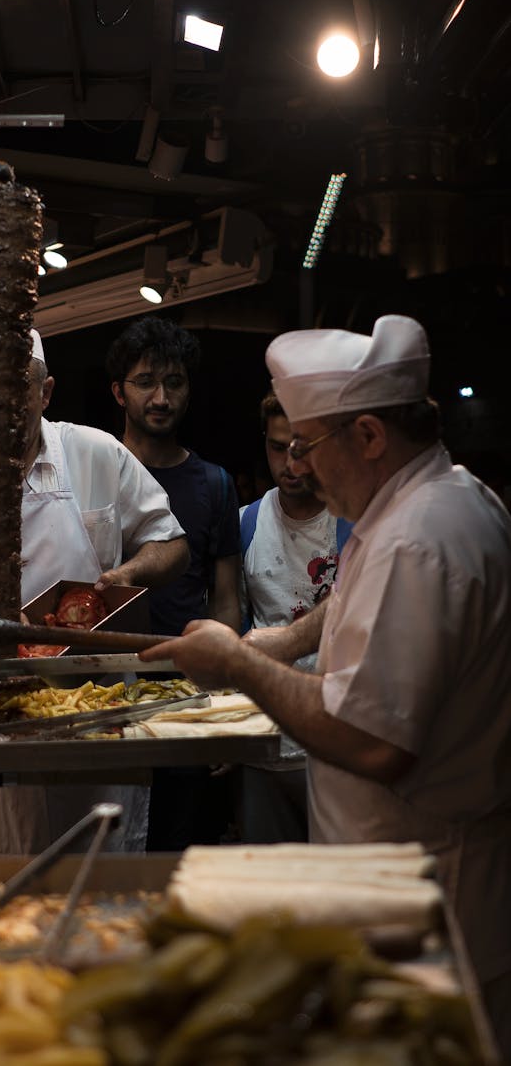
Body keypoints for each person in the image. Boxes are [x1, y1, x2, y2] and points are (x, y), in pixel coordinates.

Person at [138, 314, 511, 1059]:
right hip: (401, 877)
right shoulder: (443, 495)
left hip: (427, 892)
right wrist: (288, 637)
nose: (300, 466)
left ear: (370, 436)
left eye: (309, 445)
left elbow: (373, 742)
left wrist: (243, 665)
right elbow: (359, 602)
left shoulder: (417, 537)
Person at [0, 328, 189, 857]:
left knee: (89, 869)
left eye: (18, 386)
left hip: (84, 706)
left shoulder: (94, 453)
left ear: (44, 392)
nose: (2, 401)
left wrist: (127, 575)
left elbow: (171, 544)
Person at [106, 314, 241, 848]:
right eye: (145, 383)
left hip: (184, 696)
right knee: (103, 846)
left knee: (175, 851)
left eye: (174, 383)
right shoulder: (94, 469)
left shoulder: (214, 483)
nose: (160, 398)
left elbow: (226, 600)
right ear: (119, 392)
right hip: (102, 692)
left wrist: (225, 706)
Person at [237, 390, 339, 842]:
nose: (290, 464)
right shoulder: (247, 522)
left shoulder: (353, 523)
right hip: (264, 744)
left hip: (335, 745)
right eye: (278, 448)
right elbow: (236, 623)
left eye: (301, 449)